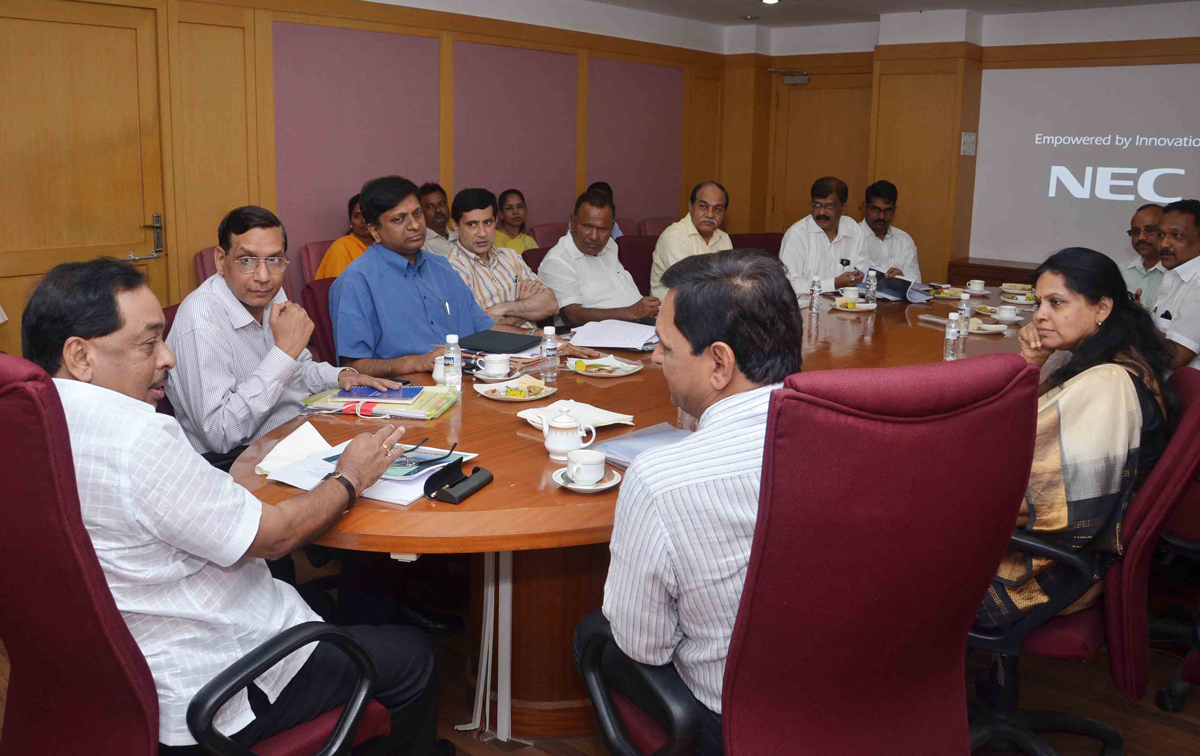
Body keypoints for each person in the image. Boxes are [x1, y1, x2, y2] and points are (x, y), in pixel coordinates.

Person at [20, 258, 452, 756]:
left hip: (113, 682)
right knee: (413, 655)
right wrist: (352, 475)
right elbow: (276, 536)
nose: (168, 358)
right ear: (79, 356)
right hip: (212, 685)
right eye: (148, 343)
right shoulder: (137, 438)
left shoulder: (34, 427)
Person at [576, 250, 805, 756]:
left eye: (665, 345)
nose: (655, 358)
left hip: (732, 723)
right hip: (858, 699)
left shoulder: (660, 481)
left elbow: (645, 645)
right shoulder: (861, 445)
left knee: (592, 634)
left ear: (719, 363)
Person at [976, 247, 1173, 631]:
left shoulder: (1108, 383)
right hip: (1070, 553)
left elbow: (1036, 502)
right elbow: (1024, 431)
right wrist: (1033, 363)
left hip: (1047, 570)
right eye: (1038, 302)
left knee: (902, 544)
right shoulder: (1111, 358)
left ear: (1102, 308)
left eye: (1056, 302)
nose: (1039, 315)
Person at [167, 206, 398, 468]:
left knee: (388, 447)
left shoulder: (268, 292)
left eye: (274, 260)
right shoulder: (201, 322)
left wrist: (340, 377)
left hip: (295, 435)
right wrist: (283, 354)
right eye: (247, 260)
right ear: (221, 260)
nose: (263, 276)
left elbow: (298, 370)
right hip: (237, 460)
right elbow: (220, 434)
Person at [331, 176, 495, 376]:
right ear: (375, 231)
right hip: (405, 389)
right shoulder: (356, 282)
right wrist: (416, 363)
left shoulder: (443, 267)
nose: (415, 225)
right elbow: (352, 367)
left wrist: (526, 345)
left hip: (471, 378)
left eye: (417, 214)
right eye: (399, 219)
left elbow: (484, 329)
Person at [538, 189, 660, 327]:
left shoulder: (610, 245)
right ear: (573, 221)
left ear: (612, 227)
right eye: (587, 226)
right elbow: (571, 316)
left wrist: (647, 310)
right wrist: (632, 313)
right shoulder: (557, 261)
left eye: (602, 229)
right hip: (599, 334)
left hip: (639, 325)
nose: (594, 237)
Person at [446, 188, 559, 330]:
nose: (482, 233)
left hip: (537, 341)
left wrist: (506, 308)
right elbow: (479, 326)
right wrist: (525, 309)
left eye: (488, 222)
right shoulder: (451, 268)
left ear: (496, 221)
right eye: (472, 224)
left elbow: (551, 304)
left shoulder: (510, 257)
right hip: (498, 344)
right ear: (456, 226)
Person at [778, 176, 869, 296]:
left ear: (843, 208)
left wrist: (858, 276)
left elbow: (863, 269)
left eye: (830, 206)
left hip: (845, 303)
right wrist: (833, 283)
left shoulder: (853, 229)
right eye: (816, 205)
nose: (821, 212)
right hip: (807, 304)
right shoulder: (797, 234)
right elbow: (789, 284)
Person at [649, 181, 732, 299]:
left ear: (724, 213)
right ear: (691, 206)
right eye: (703, 206)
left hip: (712, 306)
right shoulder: (674, 237)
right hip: (674, 308)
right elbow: (689, 288)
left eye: (717, 209)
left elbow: (730, 284)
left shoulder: (724, 238)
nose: (710, 215)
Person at [1150, 199, 1200, 371]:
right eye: (1160, 235)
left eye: (1176, 235)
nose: (1164, 244)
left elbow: (1176, 357)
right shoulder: (1172, 274)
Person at [857, 180, 920, 282]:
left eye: (887, 210)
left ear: (894, 210)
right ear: (864, 207)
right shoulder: (852, 236)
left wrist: (902, 278)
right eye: (876, 209)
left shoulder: (904, 240)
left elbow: (916, 282)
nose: (881, 216)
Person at [313, 193, 375, 280]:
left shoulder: (385, 245)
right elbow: (337, 285)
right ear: (350, 221)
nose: (363, 220)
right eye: (357, 216)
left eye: (367, 215)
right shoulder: (341, 248)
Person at [1122, 203, 1165, 310]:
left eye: (1149, 230)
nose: (1141, 237)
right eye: (1135, 231)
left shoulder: (1179, 274)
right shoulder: (1121, 271)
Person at [494, 188, 540, 255]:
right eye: (509, 208)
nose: (516, 212)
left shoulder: (529, 241)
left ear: (526, 210)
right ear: (501, 214)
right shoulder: (493, 238)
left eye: (519, 206)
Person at [419, 182, 457, 257]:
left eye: (441, 204)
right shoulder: (420, 245)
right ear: (420, 211)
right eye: (430, 206)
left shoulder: (461, 239)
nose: (438, 210)